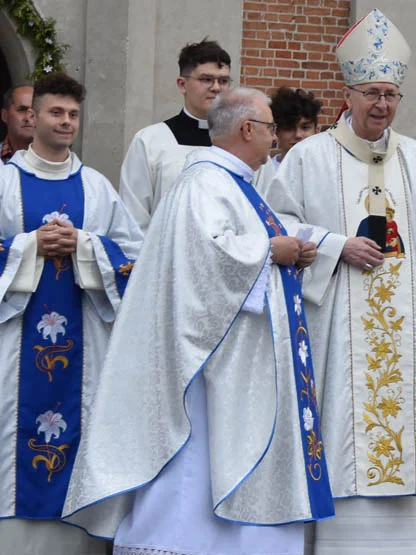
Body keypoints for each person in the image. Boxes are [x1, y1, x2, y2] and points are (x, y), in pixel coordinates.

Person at [63, 87, 332, 553]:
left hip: (237, 358)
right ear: (248, 129)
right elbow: (204, 260)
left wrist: (289, 252)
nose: (273, 140)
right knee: (199, 463)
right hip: (210, 363)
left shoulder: (237, 185)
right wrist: (271, 250)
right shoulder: (205, 183)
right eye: (270, 128)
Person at [264, 9, 416, 553]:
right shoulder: (307, 158)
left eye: (390, 94)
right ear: (349, 93)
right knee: (343, 435)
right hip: (336, 330)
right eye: (371, 93)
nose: (382, 104)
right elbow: (276, 227)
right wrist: (336, 246)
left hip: (407, 340)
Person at [0, 72, 141, 554]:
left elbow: (135, 259)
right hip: (12, 347)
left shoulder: (97, 188)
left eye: (73, 115)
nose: (65, 122)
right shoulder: (4, 182)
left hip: (85, 348)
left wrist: (86, 246)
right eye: (55, 112)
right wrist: (26, 247)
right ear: (31, 115)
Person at [119, 39, 232, 230]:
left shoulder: (242, 142)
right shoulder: (150, 142)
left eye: (223, 81)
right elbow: (133, 221)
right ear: (182, 84)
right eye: (206, 79)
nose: (216, 87)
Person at [253, 86, 322, 197]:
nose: (298, 135)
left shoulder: (327, 171)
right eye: (289, 128)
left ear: (317, 131)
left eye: (305, 128)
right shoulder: (261, 172)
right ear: (276, 132)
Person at [1, 84, 34, 164]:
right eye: (22, 110)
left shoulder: (60, 158)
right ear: (5, 115)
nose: (28, 117)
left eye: (35, 109)